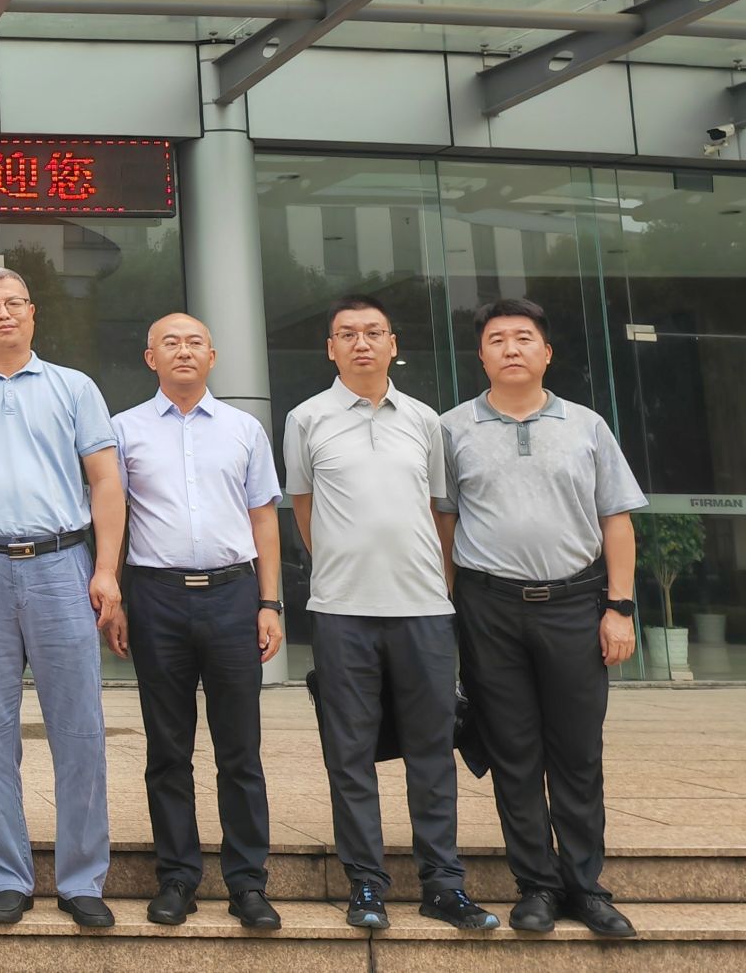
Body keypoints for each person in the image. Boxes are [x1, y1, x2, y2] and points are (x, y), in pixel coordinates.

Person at [286, 293, 496, 932]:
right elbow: (304, 509)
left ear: (392, 344)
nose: (362, 343)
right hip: (341, 609)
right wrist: (343, 567)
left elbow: (437, 510)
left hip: (423, 610)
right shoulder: (305, 419)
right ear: (330, 348)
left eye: (373, 332)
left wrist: (436, 582)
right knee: (349, 754)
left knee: (432, 751)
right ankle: (366, 885)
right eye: (347, 333)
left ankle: (444, 885)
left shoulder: (425, 420)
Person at [438, 298, 642, 938]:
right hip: (488, 607)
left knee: (577, 751)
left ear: (546, 352)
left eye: (524, 337)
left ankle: (586, 886)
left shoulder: (586, 426)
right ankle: (537, 886)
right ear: (481, 356)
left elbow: (616, 520)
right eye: (497, 339)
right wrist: (445, 613)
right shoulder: (451, 429)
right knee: (513, 750)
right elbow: (444, 525)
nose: (511, 348)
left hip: (576, 604)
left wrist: (619, 607)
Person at [0, 270, 122, 928]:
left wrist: (106, 569)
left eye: (14, 303)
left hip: (63, 563)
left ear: (33, 314)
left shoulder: (75, 387)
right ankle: (7, 877)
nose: (3, 314)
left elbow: (106, 482)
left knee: (79, 726)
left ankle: (82, 880)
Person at [110, 312, 284, 930]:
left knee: (240, 749)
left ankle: (248, 883)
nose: (182, 351)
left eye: (194, 343)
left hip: (233, 594)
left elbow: (264, 518)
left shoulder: (244, 429)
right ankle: (178, 877)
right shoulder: (123, 430)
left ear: (212, 356)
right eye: (170, 343)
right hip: (155, 597)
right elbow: (114, 517)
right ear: (150, 358)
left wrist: (270, 603)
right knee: (167, 747)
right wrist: (116, 596)